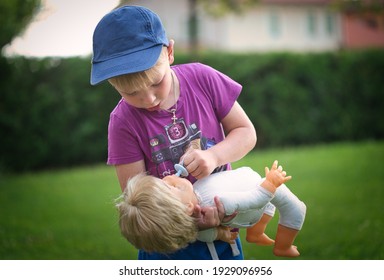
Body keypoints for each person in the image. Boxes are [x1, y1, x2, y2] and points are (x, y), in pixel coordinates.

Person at [90, 5, 257, 259]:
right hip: (165, 248)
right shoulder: (123, 122)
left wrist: (213, 157)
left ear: (169, 52)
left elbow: (246, 132)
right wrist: (191, 220)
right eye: (131, 93)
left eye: (156, 83)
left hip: (223, 233)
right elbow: (138, 199)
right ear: (113, 83)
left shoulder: (203, 78)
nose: (148, 99)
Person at [117, 160, 306, 258]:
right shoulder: (219, 202)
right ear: (188, 207)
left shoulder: (197, 204)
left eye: (161, 181)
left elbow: (202, 235)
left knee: (269, 208)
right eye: (170, 187)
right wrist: (270, 184)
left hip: (254, 186)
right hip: (260, 190)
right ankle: (283, 246)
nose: (168, 178)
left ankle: (255, 235)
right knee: (296, 209)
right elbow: (254, 200)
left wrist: (219, 235)